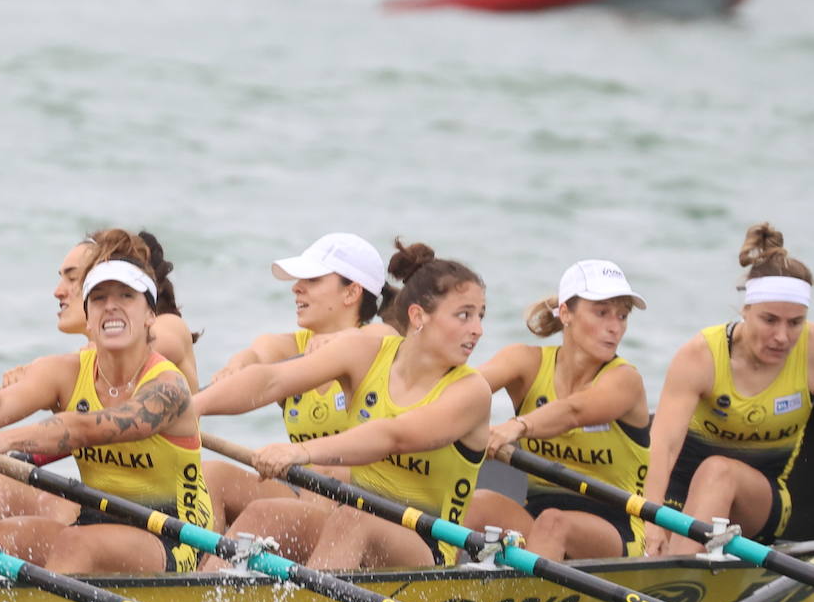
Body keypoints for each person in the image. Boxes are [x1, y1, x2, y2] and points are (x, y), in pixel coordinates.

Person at [194, 241, 489, 570]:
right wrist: (193, 407)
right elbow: (271, 381)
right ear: (418, 316)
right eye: (464, 316)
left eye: (479, 316)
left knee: (354, 519)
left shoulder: (471, 391)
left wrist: (301, 452)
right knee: (266, 514)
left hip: (425, 546)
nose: (477, 330)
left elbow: (394, 436)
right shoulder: (367, 353)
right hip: (347, 521)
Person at [0, 230, 214, 574]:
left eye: (126, 296)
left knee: (74, 543)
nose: (111, 305)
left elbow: (87, 429)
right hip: (93, 518)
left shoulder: (168, 387)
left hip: (175, 536)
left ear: (149, 316)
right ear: (87, 315)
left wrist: (3, 440)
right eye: (98, 298)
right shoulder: (64, 372)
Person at [203, 233, 397, 529]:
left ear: (351, 293)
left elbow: (386, 336)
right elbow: (257, 354)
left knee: (330, 470)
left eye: (313, 280)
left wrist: (345, 340)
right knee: (213, 474)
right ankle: (201, 571)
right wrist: (236, 366)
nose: (296, 288)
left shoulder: (379, 343)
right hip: (303, 489)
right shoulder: (288, 345)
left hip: (367, 502)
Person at [463, 260, 650, 559]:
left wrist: (517, 426)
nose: (615, 327)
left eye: (622, 316)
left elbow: (574, 411)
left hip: (617, 526)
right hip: (537, 514)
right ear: (565, 313)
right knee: (475, 503)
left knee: (554, 523)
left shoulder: (624, 380)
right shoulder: (525, 361)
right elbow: (464, 391)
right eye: (601, 313)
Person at [645, 223, 813, 555]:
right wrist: (651, 522)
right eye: (769, 320)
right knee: (661, 527)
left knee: (718, 471)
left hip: (761, 503)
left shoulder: (810, 350)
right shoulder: (701, 356)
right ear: (745, 310)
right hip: (679, 494)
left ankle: (669, 585)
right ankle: (669, 570)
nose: (782, 336)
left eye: (795, 323)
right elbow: (661, 449)